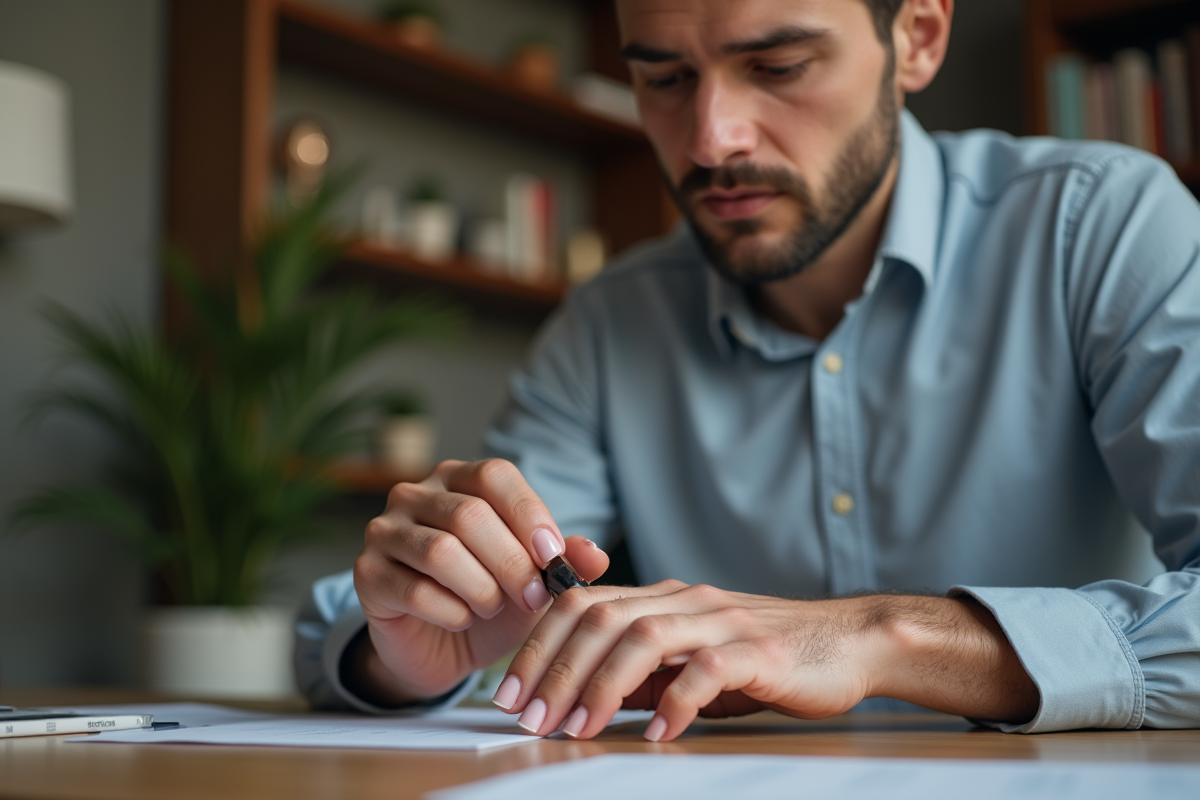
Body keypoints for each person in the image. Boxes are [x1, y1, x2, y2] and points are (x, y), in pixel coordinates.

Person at [295, 0, 1200, 741]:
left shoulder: (1104, 229)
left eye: (777, 66)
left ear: (916, 35)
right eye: (663, 78)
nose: (709, 140)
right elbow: (343, 628)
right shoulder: (609, 323)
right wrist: (410, 648)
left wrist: (881, 640)